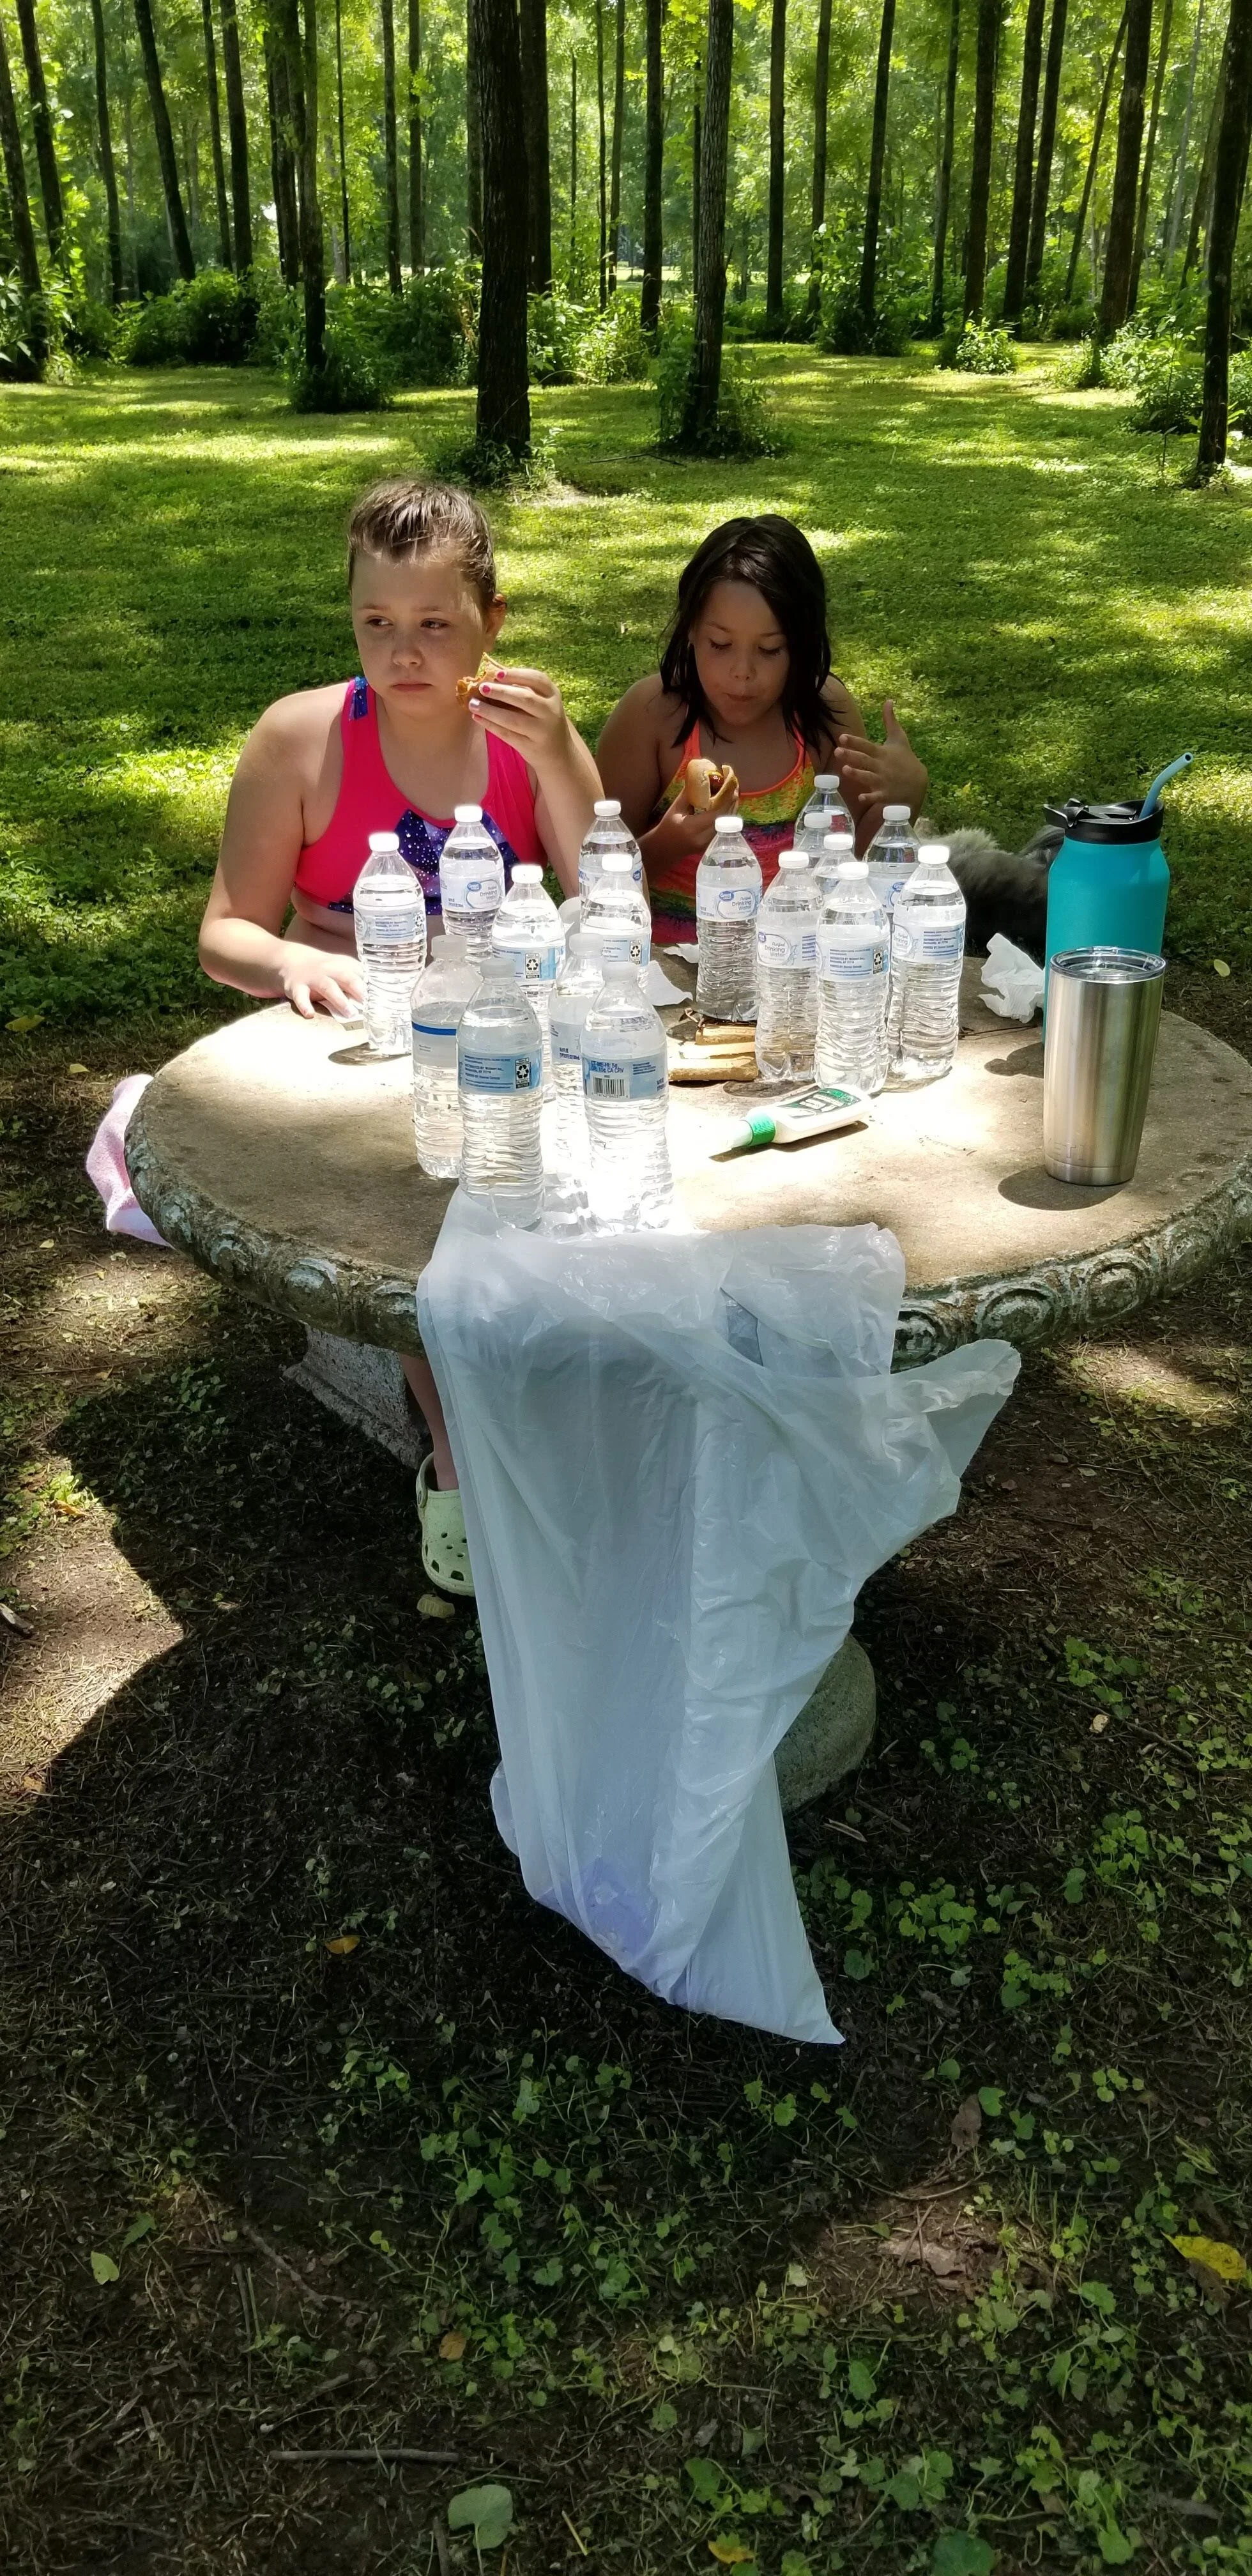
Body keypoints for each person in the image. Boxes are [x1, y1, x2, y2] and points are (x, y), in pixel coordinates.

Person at [199, 476, 602, 1598]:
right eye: (378, 623)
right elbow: (224, 932)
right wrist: (295, 958)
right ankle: (463, 1458)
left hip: (500, 1021)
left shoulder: (523, 737)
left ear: (493, 623)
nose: (405, 652)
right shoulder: (304, 736)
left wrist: (566, 751)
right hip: (355, 1040)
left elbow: (598, 887)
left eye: (435, 625)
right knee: (425, 1207)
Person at [595, 514, 929, 945]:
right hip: (665, 979)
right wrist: (668, 843)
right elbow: (591, 875)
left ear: (802, 645)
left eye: (770, 649)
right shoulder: (652, 717)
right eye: (720, 645)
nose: (742, 674)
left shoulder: (825, 717)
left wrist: (905, 797)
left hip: (793, 972)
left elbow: (851, 872)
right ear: (691, 629)